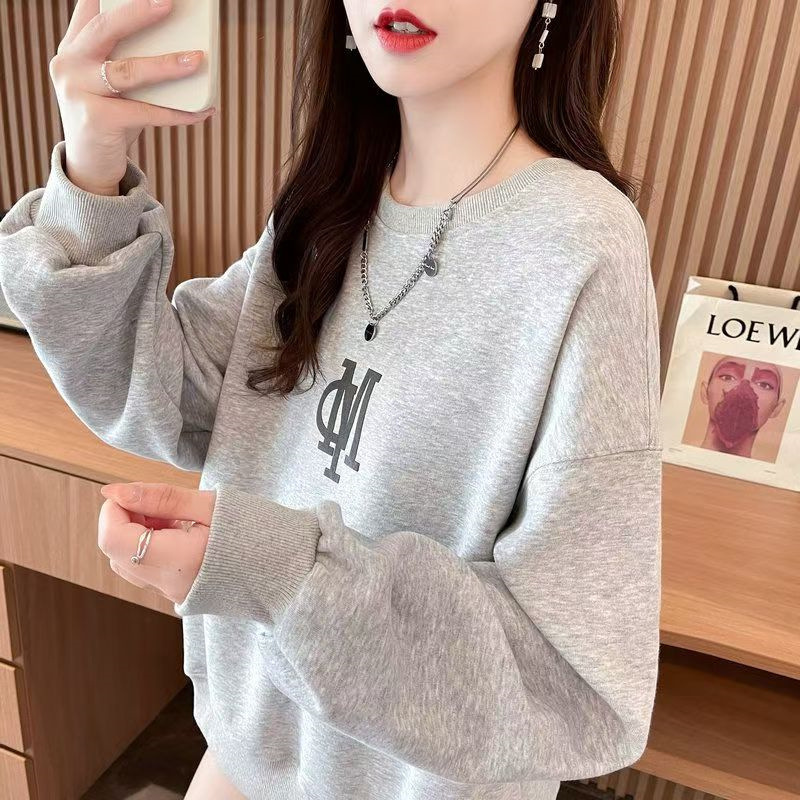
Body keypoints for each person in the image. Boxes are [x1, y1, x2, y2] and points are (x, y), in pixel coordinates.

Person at [0, 0, 663, 798]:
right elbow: (160, 391)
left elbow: (577, 689)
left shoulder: (580, 244)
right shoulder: (330, 204)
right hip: (238, 765)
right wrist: (90, 174)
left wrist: (282, 574)